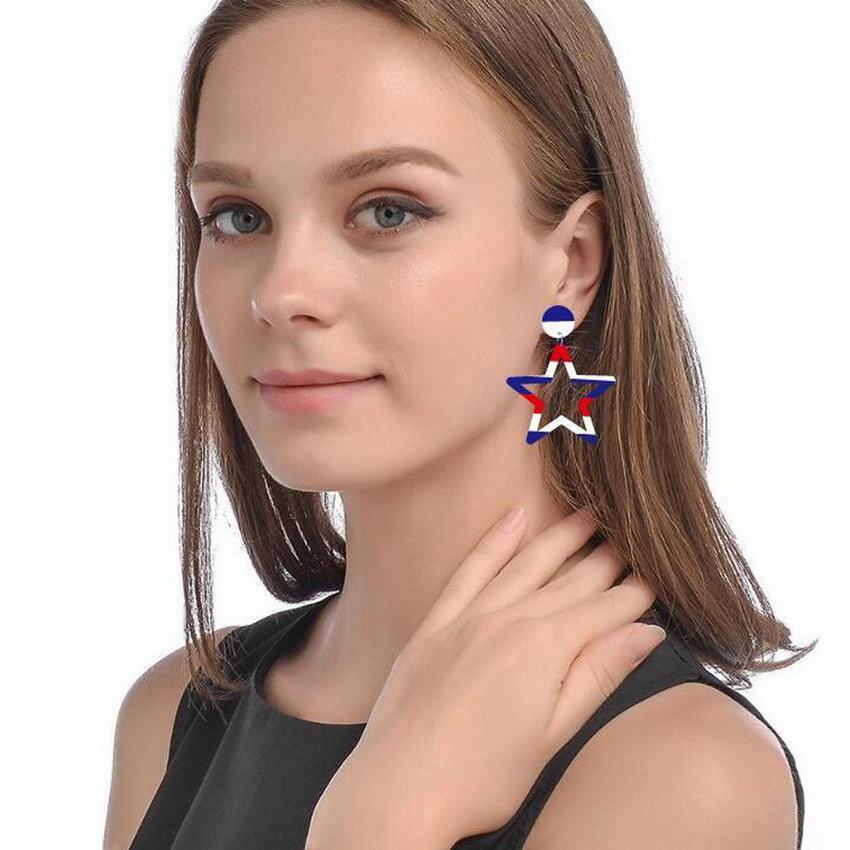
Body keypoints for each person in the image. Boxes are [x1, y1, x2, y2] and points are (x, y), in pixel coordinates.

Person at [103, 2, 815, 849]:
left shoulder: (679, 776)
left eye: (388, 211)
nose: (282, 292)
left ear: (573, 262)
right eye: (237, 216)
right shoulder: (173, 714)